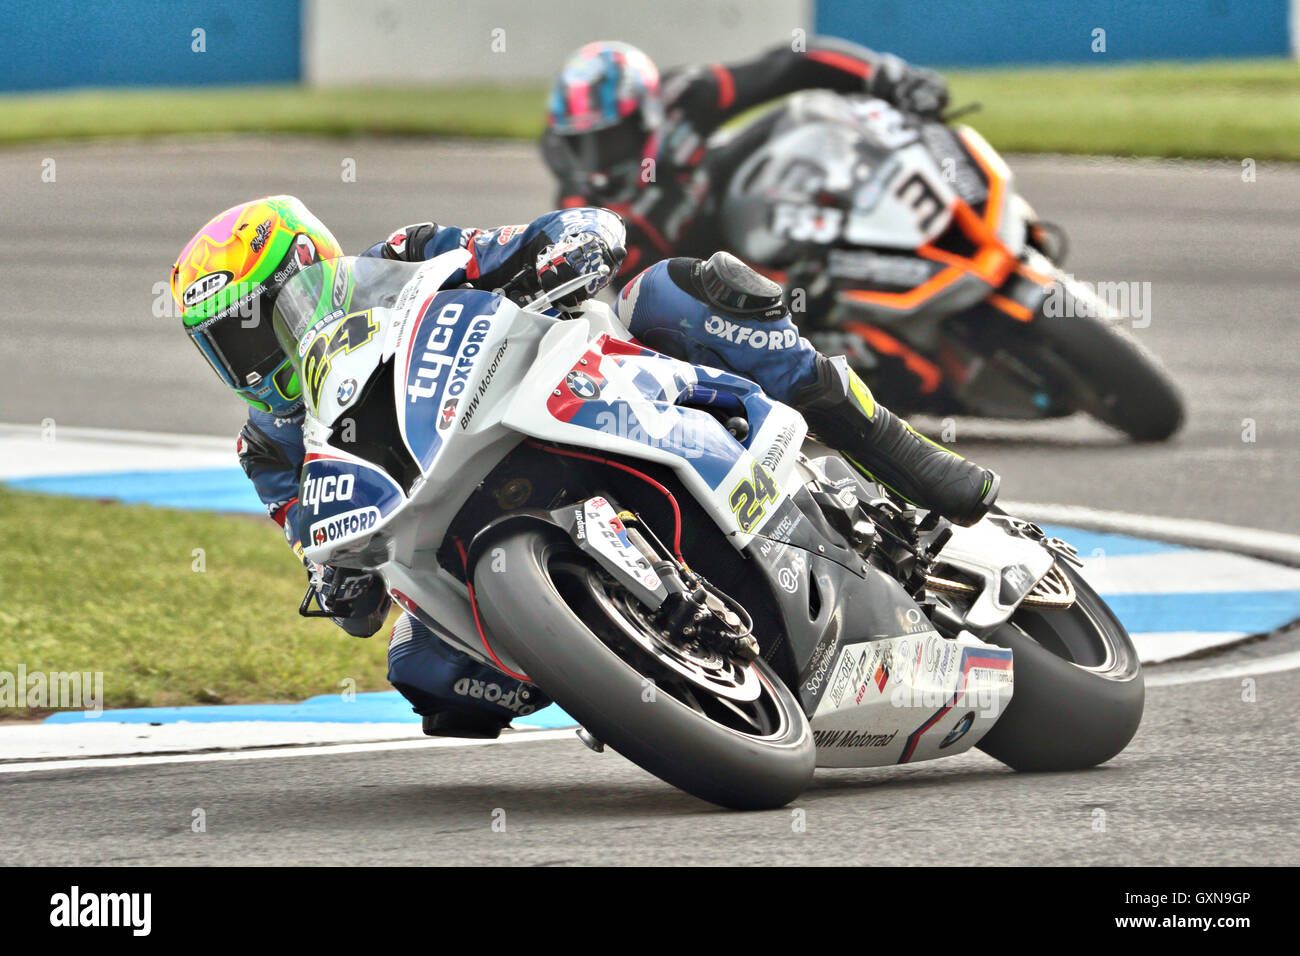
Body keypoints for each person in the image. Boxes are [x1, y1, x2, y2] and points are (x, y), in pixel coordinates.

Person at [170, 195, 998, 738]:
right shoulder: (267, 448)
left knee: (678, 294)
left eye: (256, 323)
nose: (251, 356)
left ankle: (899, 450)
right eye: (227, 346)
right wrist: (339, 579)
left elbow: (546, 237)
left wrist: (563, 249)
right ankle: (625, 664)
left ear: (312, 273)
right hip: (452, 523)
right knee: (425, 674)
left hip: (551, 394)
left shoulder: (406, 255)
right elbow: (321, 547)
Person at [542, 37, 949, 283]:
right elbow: (647, 296)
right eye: (583, 143)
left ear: (646, 115)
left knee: (800, 118)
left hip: (732, 188)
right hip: (707, 274)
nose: (596, 159)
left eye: (609, 139)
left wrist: (885, 75)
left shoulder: (687, 96)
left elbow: (790, 64)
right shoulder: (582, 211)